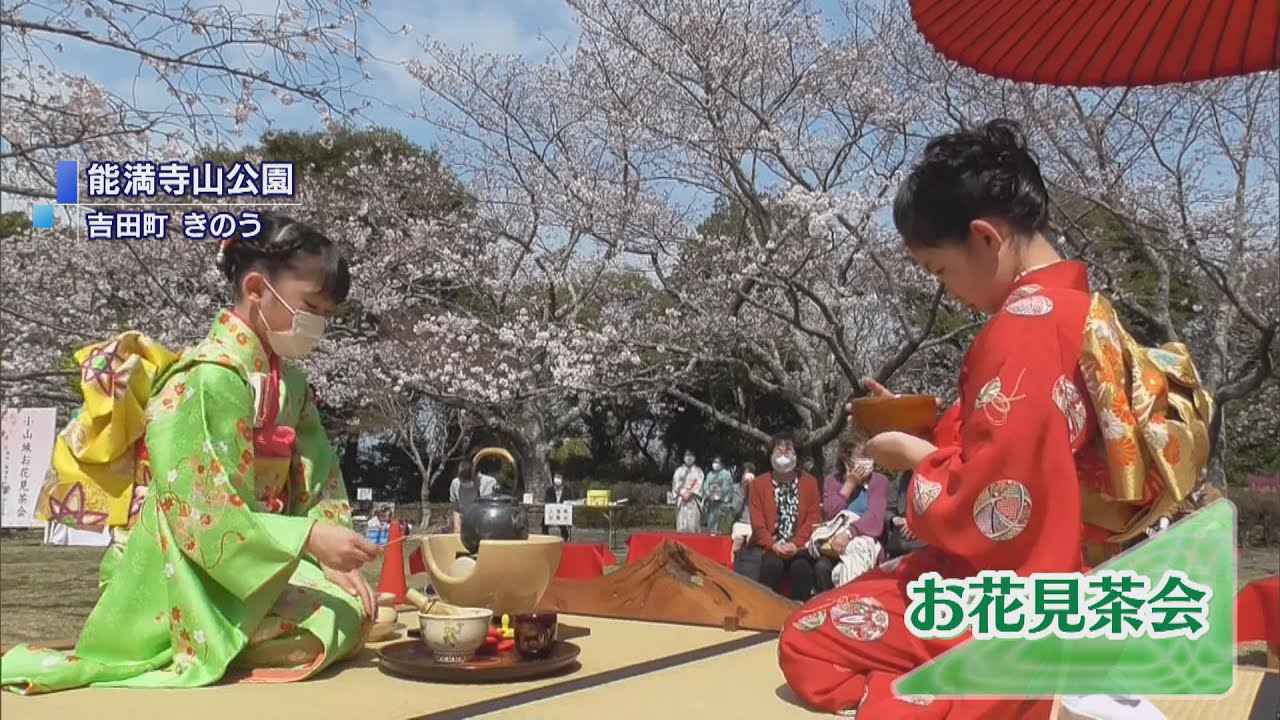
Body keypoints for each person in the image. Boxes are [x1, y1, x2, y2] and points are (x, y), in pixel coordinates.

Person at [778, 120, 1212, 719]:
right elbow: (1016, 449)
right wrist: (930, 433)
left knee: (808, 637)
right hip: (1069, 568)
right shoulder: (1076, 307)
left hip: (1016, 591)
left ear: (985, 238)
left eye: (940, 271)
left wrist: (915, 460)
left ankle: (1020, 691)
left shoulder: (1021, 331)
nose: (948, 290)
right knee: (858, 602)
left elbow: (994, 504)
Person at [2, 213, 381, 694]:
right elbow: (202, 510)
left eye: (327, 314)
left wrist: (333, 558)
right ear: (257, 289)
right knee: (324, 629)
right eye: (311, 307)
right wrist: (306, 538)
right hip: (182, 569)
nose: (319, 325)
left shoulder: (293, 385)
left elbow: (319, 475)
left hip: (262, 556)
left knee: (356, 610)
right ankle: (181, 639)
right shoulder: (206, 377)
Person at [749, 433, 822, 600]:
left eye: (788, 450)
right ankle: (766, 611)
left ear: (797, 455)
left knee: (802, 569)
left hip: (799, 547)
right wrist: (773, 545)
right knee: (771, 566)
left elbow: (813, 518)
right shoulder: (758, 484)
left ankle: (798, 613)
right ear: (770, 455)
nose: (783, 454)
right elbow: (757, 523)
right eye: (778, 450)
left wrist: (795, 545)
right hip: (769, 546)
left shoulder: (809, 482)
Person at [810, 438, 889, 592]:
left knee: (850, 563)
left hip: (863, 540)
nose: (867, 461)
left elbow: (875, 518)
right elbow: (830, 513)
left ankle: (849, 601)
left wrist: (849, 533)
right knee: (822, 567)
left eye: (869, 456)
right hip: (833, 543)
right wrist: (849, 484)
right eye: (862, 456)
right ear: (847, 459)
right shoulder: (832, 481)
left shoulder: (879, 481)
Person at [449, 460, 499, 533]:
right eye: (463, 481)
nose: (466, 484)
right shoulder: (455, 484)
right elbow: (456, 508)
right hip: (465, 524)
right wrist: (457, 530)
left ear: (477, 475)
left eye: (469, 481)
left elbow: (488, 510)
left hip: (484, 524)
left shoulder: (489, 483)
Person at [671, 451, 704, 533]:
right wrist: (683, 493)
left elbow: (700, 484)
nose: (689, 458)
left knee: (693, 525)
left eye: (691, 455)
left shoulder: (698, 471)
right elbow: (675, 484)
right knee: (682, 525)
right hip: (682, 501)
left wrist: (691, 493)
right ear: (684, 457)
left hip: (693, 500)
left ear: (694, 458)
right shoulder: (678, 471)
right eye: (687, 455)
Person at [701, 456, 734, 534]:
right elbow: (705, 486)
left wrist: (717, 496)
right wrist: (709, 495)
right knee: (711, 525)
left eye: (717, 462)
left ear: (722, 464)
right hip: (711, 504)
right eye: (714, 462)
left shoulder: (726, 474)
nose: (715, 464)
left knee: (720, 525)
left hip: (722, 504)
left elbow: (727, 488)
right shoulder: (710, 474)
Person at [729, 462, 757, 552]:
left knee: (751, 539)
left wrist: (752, 490)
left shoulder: (758, 489)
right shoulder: (736, 489)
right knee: (738, 540)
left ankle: (751, 564)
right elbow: (735, 511)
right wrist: (743, 492)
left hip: (753, 524)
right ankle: (733, 564)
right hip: (740, 522)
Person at [541, 472, 575, 540]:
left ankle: (565, 537)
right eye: (556, 477)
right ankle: (545, 537)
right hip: (552, 511)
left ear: (562, 480)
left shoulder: (567, 490)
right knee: (544, 521)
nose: (557, 479)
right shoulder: (549, 489)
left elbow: (571, 500)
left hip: (563, 511)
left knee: (562, 521)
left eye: (559, 478)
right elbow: (547, 500)